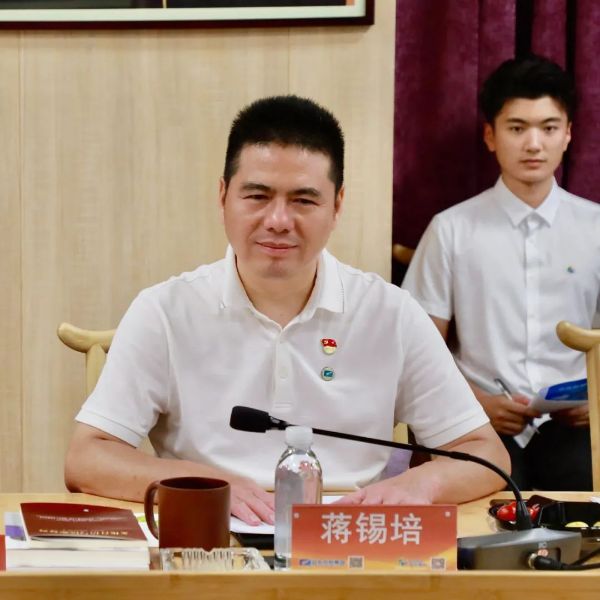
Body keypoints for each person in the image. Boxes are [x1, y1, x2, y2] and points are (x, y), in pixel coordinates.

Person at [65, 95, 508, 524]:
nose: (278, 220)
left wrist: (419, 484)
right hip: (208, 537)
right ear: (223, 196)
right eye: (257, 196)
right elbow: (87, 457)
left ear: (337, 206)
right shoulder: (164, 311)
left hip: (346, 539)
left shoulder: (391, 314)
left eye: (303, 200)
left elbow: (485, 452)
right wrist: (201, 482)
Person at [403, 55, 600, 490]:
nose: (534, 144)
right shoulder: (451, 229)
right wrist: (473, 403)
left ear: (568, 134)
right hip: (479, 422)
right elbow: (418, 345)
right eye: (517, 128)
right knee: (480, 502)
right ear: (490, 136)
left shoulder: (596, 228)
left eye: (549, 127)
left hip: (577, 426)